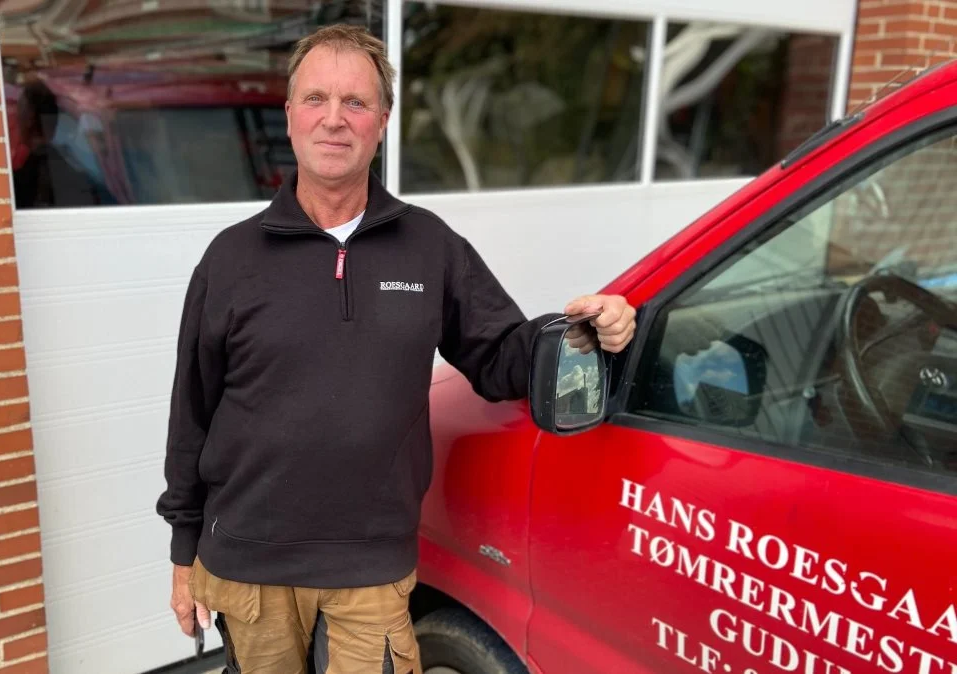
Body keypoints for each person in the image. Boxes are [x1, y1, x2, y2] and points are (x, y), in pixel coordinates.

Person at [155, 24, 638, 673]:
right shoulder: (231, 258)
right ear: (290, 115)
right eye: (316, 98)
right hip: (248, 559)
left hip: (371, 564)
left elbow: (502, 357)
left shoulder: (429, 247)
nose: (334, 118)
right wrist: (183, 551)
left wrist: (587, 331)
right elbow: (191, 409)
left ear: (381, 121)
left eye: (355, 102)